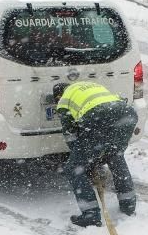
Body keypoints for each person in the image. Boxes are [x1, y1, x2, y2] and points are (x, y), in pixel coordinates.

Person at [53, 81, 138, 227]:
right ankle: (128, 204)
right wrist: (93, 157)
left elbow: (71, 136)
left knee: (73, 168)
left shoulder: (64, 100)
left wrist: (84, 162)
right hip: (127, 115)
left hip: (98, 118)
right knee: (115, 156)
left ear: (58, 96)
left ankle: (90, 214)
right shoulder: (88, 86)